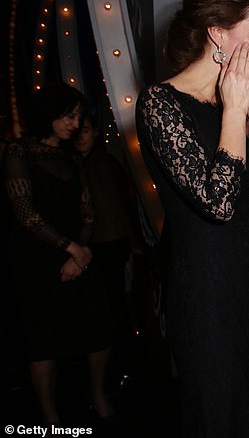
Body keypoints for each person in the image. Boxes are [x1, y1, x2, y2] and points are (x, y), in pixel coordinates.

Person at [135, 0, 249, 437]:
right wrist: (236, 111)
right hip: (204, 294)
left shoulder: (237, 106)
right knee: (220, 417)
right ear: (219, 34)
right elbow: (218, 203)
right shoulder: (161, 103)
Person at [3, 83, 114, 425]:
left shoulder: (70, 157)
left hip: (76, 257)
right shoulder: (19, 152)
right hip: (36, 259)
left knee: (98, 329)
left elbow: (88, 212)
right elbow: (25, 213)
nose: (75, 122)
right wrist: (72, 249)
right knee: (43, 341)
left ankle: (97, 396)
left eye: (79, 116)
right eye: (69, 115)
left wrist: (78, 255)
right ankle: (49, 417)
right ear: (48, 115)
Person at [74, 114, 142, 390]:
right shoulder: (75, 163)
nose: (80, 136)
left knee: (115, 311)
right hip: (91, 248)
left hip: (111, 246)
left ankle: (123, 369)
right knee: (103, 313)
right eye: (77, 131)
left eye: (86, 130)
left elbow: (124, 207)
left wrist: (133, 243)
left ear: (96, 132)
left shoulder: (106, 163)